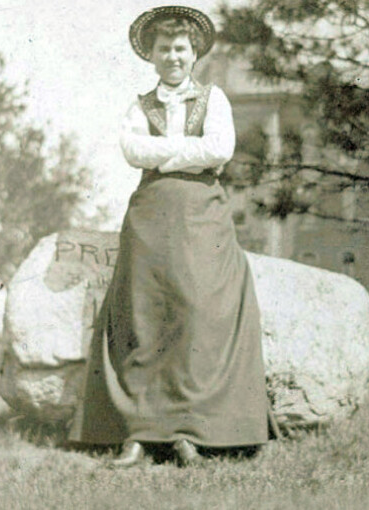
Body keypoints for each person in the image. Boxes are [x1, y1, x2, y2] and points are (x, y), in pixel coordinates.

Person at [67, 5, 269, 467]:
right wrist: (188, 153)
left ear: (193, 51)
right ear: (152, 55)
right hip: (150, 220)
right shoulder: (139, 106)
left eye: (180, 48)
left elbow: (220, 148)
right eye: (164, 49)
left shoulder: (214, 99)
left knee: (198, 313)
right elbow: (133, 150)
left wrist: (166, 154)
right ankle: (138, 434)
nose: (173, 57)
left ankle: (191, 432)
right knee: (145, 316)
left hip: (202, 218)